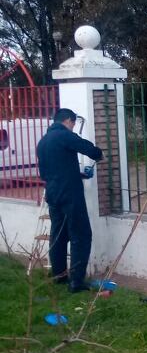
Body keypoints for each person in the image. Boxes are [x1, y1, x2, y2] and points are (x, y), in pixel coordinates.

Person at [37, 108, 104, 292]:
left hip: (52, 193)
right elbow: (87, 147)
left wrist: (77, 173)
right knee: (81, 235)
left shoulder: (43, 142)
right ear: (68, 121)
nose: (73, 127)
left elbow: (47, 172)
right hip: (70, 194)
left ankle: (59, 276)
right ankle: (76, 282)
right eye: (73, 124)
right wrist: (99, 154)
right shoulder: (64, 135)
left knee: (58, 235)